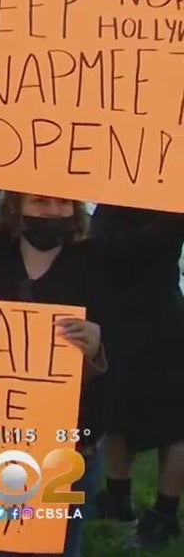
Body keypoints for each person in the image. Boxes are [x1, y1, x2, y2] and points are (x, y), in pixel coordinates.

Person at [0, 107, 149, 557]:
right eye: (40, 202)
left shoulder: (97, 261)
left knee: (59, 539)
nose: (53, 211)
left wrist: (96, 346)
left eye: (62, 203)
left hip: (71, 439)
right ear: (17, 207)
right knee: (6, 536)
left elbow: (116, 344)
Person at [90, 204, 184, 549]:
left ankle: (164, 515)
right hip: (116, 314)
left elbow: (143, 245)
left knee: (173, 423)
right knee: (115, 410)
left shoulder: (173, 202)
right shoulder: (113, 195)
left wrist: (99, 249)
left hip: (159, 316)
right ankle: (116, 499)